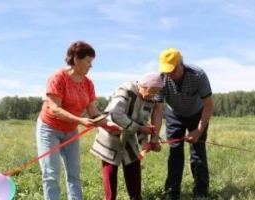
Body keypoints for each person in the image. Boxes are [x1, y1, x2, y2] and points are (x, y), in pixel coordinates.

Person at [35, 41, 103, 200]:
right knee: (51, 174)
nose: (90, 66)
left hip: (71, 131)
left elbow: (93, 110)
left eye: (91, 62)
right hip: (49, 129)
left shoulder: (88, 83)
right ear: (75, 59)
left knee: (74, 173)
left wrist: (109, 124)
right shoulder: (58, 77)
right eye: (88, 61)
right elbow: (55, 109)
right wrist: (80, 120)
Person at [90, 72, 164, 200]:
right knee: (110, 170)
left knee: (133, 166)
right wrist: (139, 128)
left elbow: (142, 122)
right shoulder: (126, 89)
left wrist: (144, 142)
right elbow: (115, 114)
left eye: (156, 92)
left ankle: (136, 197)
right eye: (152, 91)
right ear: (144, 86)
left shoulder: (150, 100)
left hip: (128, 135)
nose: (153, 96)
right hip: (110, 133)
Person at [151, 48, 213, 200]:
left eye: (172, 71)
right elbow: (158, 110)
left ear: (181, 65)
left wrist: (198, 131)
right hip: (174, 115)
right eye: (166, 71)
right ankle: (172, 193)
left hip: (197, 114)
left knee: (198, 154)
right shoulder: (161, 79)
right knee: (174, 153)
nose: (169, 75)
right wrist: (154, 136)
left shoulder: (198, 75)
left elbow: (209, 105)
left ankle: (201, 192)